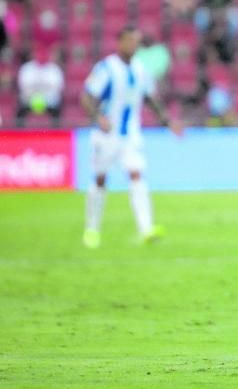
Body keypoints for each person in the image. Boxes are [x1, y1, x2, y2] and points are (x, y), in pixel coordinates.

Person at [81, 26, 182, 249]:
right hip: (106, 135)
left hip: (130, 136)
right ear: (119, 42)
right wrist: (98, 117)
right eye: (129, 41)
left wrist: (168, 122)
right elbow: (87, 97)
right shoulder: (106, 68)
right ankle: (92, 229)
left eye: (136, 41)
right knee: (100, 179)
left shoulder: (140, 69)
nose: (132, 45)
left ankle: (146, 229)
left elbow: (150, 99)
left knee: (136, 175)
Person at [16, 45, 64, 127]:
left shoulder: (54, 69)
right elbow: (23, 87)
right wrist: (36, 93)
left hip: (49, 100)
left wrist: (42, 92)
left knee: (57, 110)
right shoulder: (27, 68)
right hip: (29, 99)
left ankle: (56, 133)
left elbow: (58, 88)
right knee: (20, 111)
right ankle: (18, 133)